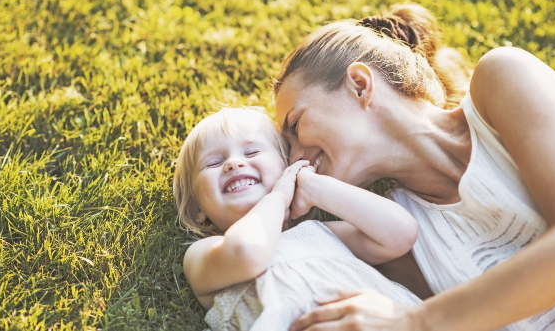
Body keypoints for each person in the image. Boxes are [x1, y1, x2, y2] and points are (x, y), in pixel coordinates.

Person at [273, 2, 555, 331]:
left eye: (295, 125)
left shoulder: (504, 77)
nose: (296, 157)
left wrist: (418, 321)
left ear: (359, 84)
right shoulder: (395, 241)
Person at [173, 107, 423, 330]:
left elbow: (401, 233)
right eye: (213, 162)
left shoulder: (319, 233)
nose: (234, 163)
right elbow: (247, 253)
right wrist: (279, 197)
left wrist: (314, 187)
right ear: (197, 209)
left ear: (286, 168)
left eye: (252, 152)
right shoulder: (204, 252)